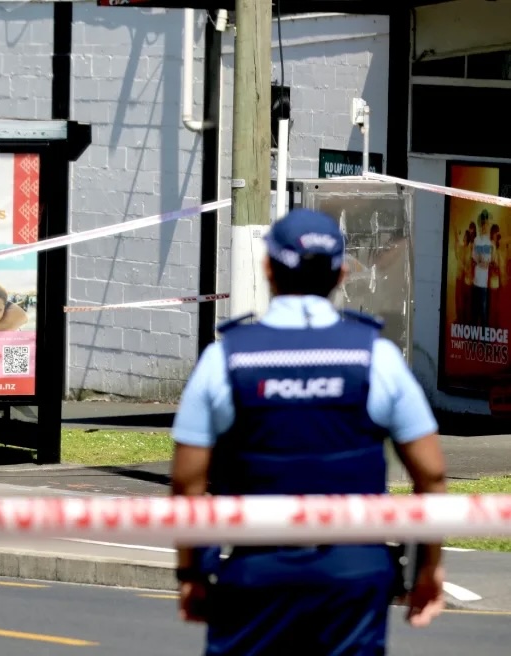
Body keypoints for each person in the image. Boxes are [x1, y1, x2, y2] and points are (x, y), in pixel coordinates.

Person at [170, 208, 448, 655]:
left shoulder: (226, 359)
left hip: (257, 573)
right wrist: (426, 569)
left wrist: (192, 576)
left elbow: (187, 482)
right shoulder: (376, 358)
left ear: (267, 269)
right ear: (340, 273)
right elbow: (431, 476)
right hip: (352, 577)